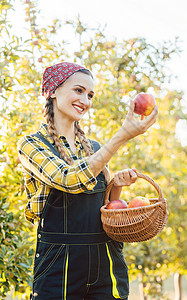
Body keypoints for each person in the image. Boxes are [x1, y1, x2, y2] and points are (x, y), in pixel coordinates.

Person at [17, 62, 158, 300]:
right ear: (53, 90)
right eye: (79, 90)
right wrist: (121, 136)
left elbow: (105, 206)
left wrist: (117, 187)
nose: (86, 100)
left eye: (90, 94)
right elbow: (68, 179)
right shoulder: (32, 145)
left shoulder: (93, 148)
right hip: (59, 265)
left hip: (106, 262)